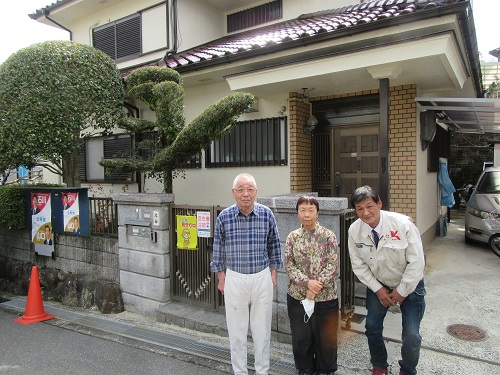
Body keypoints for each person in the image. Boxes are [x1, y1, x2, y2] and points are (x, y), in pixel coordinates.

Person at [347, 186, 426, 375]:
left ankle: (407, 369)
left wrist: (402, 291)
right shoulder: (354, 230)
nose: (365, 213)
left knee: (412, 336)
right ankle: (380, 366)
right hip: (379, 284)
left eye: (369, 206)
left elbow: (417, 262)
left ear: (379, 203)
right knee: (372, 327)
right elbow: (358, 266)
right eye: (359, 209)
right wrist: (378, 289)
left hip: (410, 285)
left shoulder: (402, 224)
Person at [210, 173, 283, 375]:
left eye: (250, 189)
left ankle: (262, 371)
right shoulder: (224, 216)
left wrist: (274, 274)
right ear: (233, 193)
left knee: (262, 333)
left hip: (262, 277)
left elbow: (274, 245)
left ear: (256, 192)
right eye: (241, 189)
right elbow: (218, 248)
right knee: (237, 334)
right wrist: (221, 277)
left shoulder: (267, 214)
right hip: (235, 278)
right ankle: (240, 371)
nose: (245, 194)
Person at [285, 196, 341, 375]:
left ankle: (326, 369)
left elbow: (333, 265)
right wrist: (307, 283)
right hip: (298, 296)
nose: (306, 214)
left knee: (326, 338)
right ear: (297, 212)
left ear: (317, 212)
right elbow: (289, 264)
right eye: (303, 210)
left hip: (326, 297)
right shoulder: (292, 237)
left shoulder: (328, 236)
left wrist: (316, 286)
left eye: (311, 210)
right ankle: (305, 368)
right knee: (302, 337)